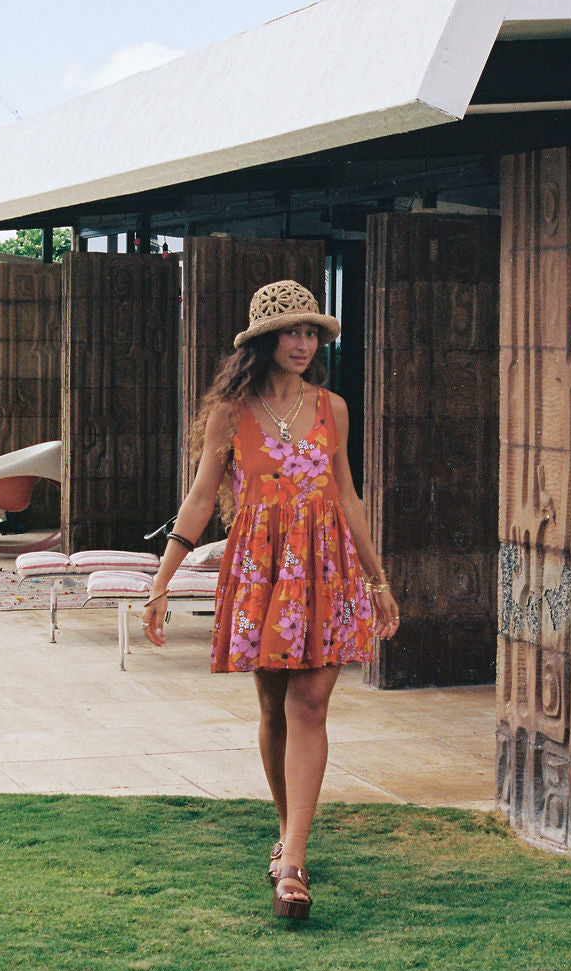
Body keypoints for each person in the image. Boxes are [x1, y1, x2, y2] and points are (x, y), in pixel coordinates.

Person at [141, 279, 400, 921]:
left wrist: (379, 579)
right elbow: (202, 499)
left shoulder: (332, 409)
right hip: (260, 571)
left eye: (312, 332)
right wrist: (162, 578)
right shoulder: (232, 412)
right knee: (273, 707)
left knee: (310, 702)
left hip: (326, 569)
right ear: (263, 341)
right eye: (292, 331)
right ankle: (288, 831)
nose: (304, 343)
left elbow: (347, 498)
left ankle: (293, 863)